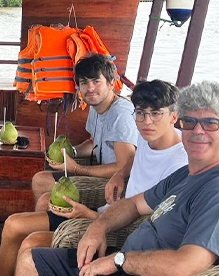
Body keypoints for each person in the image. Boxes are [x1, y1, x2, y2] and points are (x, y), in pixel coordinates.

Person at [2, 81, 219, 276]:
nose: (197, 131)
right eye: (191, 122)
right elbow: (136, 204)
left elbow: (186, 265)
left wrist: (119, 260)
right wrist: (99, 226)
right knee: (29, 261)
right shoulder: (191, 173)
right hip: (125, 262)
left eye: (210, 123)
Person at [0, 79, 188, 276]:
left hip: (118, 234)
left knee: (24, 238)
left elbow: (150, 227)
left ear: (174, 116)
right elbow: (135, 157)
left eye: (156, 114)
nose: (147, 121)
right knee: (35, 210)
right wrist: (121, 174)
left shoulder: (179, 164)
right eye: (140, 113)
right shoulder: (154, 139)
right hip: (108, 216)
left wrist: (88, 216)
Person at [31, 53, 139, 214]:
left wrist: (77, 168)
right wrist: (70, 152)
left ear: (111, 84)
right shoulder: (97, 106)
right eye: (84, 83)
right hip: (101, 170)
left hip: (118, 183)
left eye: (96, 81)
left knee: (44, 195)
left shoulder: (121, 115)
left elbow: (124, 167)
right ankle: (49, 227)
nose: (90, 88)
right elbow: (92, 142)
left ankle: (53, 227)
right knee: (40, 180)